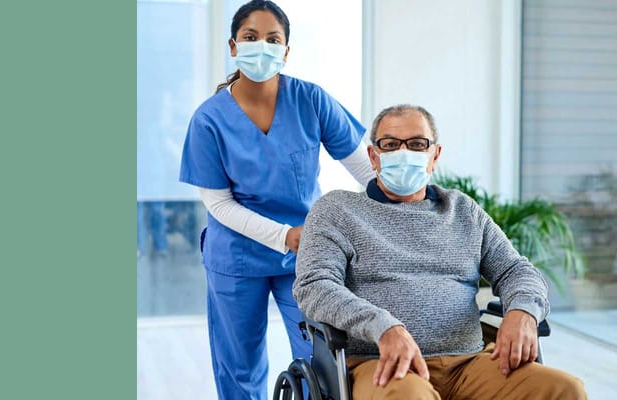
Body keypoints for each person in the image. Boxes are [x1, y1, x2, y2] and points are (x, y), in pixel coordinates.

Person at [293, 104, 586, 399]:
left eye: (418, 144)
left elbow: (516, 270)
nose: (404, 153)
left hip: (469, 363)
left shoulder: (463, 211)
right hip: (382, 364)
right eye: (391, 144)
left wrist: (523, 311)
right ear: (373, 156)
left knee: (564, 389)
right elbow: (314, 286)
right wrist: (383, 327)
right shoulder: (337, 210)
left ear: (435, 155)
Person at [178, 1, 374, 398]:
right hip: (237, 256)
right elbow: (218, 204)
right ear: (233, 46)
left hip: (305, 255)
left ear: (286, 51)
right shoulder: (208, 120)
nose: (261, 47)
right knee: (240, 367)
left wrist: (404, 205)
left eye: (273, 39)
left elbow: (364, 168)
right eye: (251, 37)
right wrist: (285, 235)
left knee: (321, 359)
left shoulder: (310, 100)